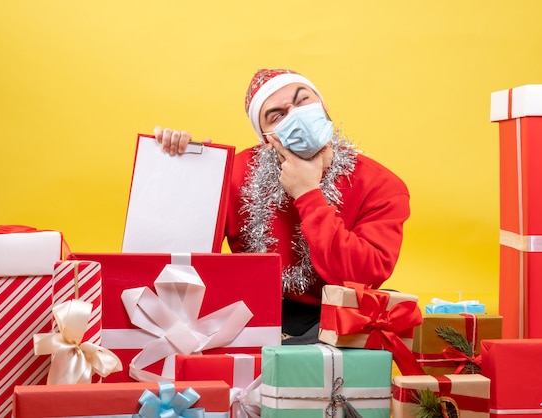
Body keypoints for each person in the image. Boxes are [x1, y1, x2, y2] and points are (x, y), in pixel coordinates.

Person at [153, 68, 410, 344]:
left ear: (324, 107)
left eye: (303, 101)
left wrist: (308, 193)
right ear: (265, 137)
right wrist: (186, 171)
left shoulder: (382, 185)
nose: (296, 115)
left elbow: (361, 279)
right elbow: (183, 259)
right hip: (252, 316)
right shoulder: (236, 174)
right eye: (278, 115)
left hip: (336, 319)